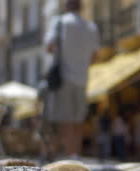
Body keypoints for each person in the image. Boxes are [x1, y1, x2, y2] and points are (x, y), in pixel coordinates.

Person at [43, 0, 99, 160]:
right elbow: (94, 56)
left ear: (66, 6)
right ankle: (76, 154)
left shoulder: (60, 22)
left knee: (65, 120)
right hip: (82, 79)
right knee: (78, 120)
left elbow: (49, 47)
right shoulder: (91, 27)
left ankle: (69, 156)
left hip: (64, 78)